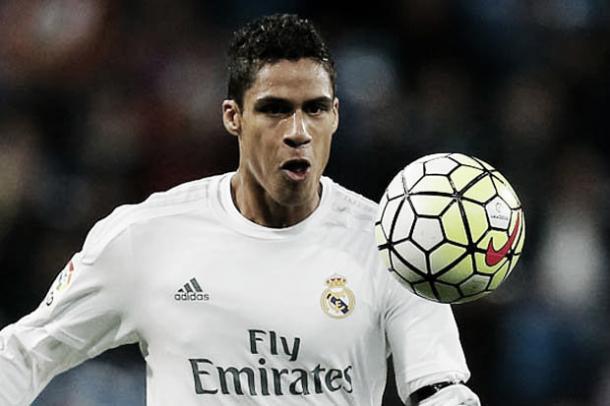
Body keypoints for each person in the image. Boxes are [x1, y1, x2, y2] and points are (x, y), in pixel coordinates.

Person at [0, 14, 480, 406]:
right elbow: (24, 352)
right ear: (234, 117)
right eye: (275, 109)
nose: (298, 131)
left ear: (335, 114)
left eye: (314, 109)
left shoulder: (393, 242)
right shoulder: (145, 237)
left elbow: (440, 389)